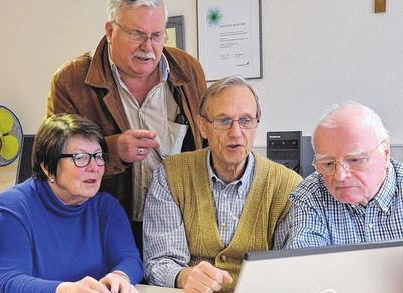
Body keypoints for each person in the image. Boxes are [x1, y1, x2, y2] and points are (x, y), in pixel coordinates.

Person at [46, 0, 206, 248]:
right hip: (104, 234)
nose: (148, 47)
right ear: (110, 31)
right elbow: (55, 161)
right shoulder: (71, 80)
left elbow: (206, 145)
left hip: (179, 230)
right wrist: (111, 151)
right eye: (137, 35)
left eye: (157, 36)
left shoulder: (188, 71)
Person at [143, 76, 303, 293]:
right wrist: (183, 276)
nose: (235, 132)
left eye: (246, 120)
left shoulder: (288, 187)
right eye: (223, 121)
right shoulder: (171, 175)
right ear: (203, 127)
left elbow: (293, 268)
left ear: (256, 124)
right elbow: (159, 262)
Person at [0, 113, 143, 293]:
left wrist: (120, 276)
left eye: (98, 156)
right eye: (80, 158)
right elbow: (12, 282)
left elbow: (130, 259)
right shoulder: (14, 207)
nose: (94, 167)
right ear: (47, 167)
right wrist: (67, 290)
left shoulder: (106, 206)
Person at [280, 102, 403, 249]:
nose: (339, 176)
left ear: (385, 154)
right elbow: (307, 266)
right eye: (328, 164)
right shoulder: (310, 196)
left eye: (354, 160)